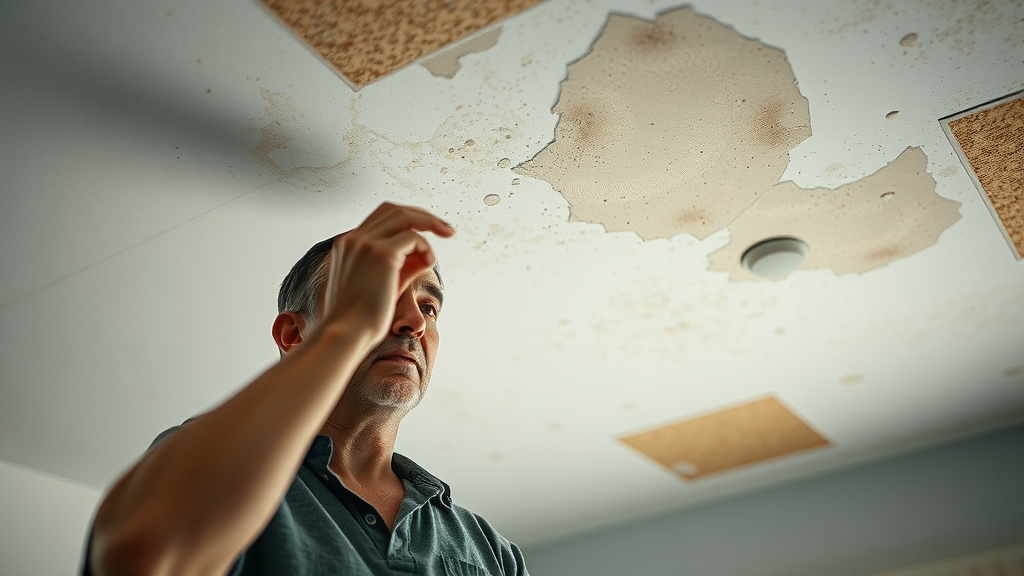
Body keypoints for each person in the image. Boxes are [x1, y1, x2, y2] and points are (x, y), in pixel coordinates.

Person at [83, 202, 529, 575]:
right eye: (376, 296)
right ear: (294, 336)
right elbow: (138, 557)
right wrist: (346, 332)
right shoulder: (221, 464)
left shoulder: (491, 551)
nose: (414, 320)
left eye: (429, 307)